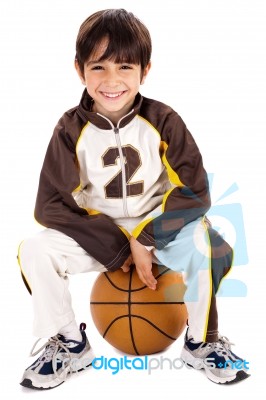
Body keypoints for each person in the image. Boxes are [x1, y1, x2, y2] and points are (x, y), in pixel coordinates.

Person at [18, 8, 249, 390]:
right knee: (35, 250)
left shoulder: (163, 120)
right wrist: (116, 247)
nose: (112, 81)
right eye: (98, 68)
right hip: (100, 235)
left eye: (125, 67)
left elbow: (195, 192)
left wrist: (145, 238)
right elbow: (50, 205)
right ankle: (69, 343)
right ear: (79, 70)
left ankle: (200, 343)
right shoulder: (69, 129)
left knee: (204, 242)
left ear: (145, 70)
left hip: (158, 229)